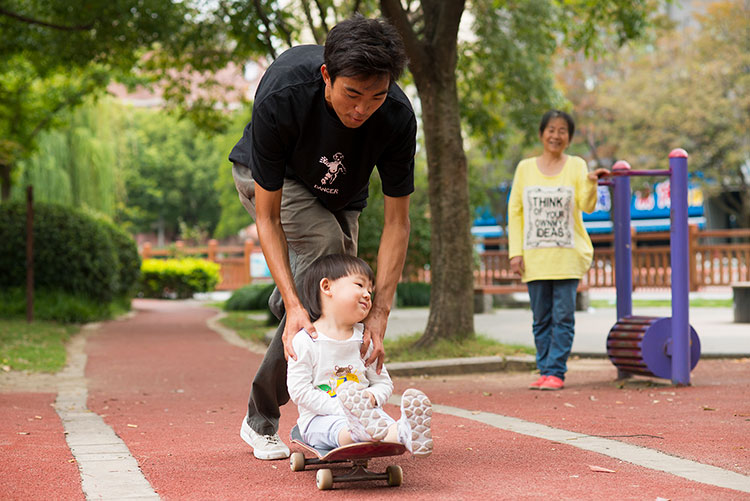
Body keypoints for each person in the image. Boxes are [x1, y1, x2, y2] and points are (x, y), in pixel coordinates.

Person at [228, 15, 416, 459]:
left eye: (376, 96)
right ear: (326, 76)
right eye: (352, 94)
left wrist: (381, 314)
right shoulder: (283, 95)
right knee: (329, 283)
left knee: (339, 294)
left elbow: (397, 222)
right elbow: (269, 218)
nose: (361, 109)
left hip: (342, 194)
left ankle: (292, 297)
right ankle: (260, 419)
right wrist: (297, 306)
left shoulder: (396, 116)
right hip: (273, 181)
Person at [287, 254, 433, 456]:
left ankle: (407, 433)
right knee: (342, 429)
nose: (367, 294)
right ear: (327, 287)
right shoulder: (306, 341)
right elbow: (299, 390)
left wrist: (372, 397)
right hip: (320, 419)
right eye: (359, 285)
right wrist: (344, 409)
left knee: (385, 425)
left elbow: (383, 383)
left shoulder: (364, 340)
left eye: (370, 291)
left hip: (369, 415)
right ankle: (363, 431)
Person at [507, 110, 608, 391]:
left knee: (563, 316)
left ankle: (555, 372)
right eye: (551, 129)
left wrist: (591, 182)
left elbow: (587, 206)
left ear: (569, 137)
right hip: (534, 258)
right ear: (542, 134)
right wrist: (516, 252)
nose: (556, 135)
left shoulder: (576, 165)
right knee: (541, 318)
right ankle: (544, 369)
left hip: (567, 256)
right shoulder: (525, 168)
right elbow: (515, 212)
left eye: (562, 130)